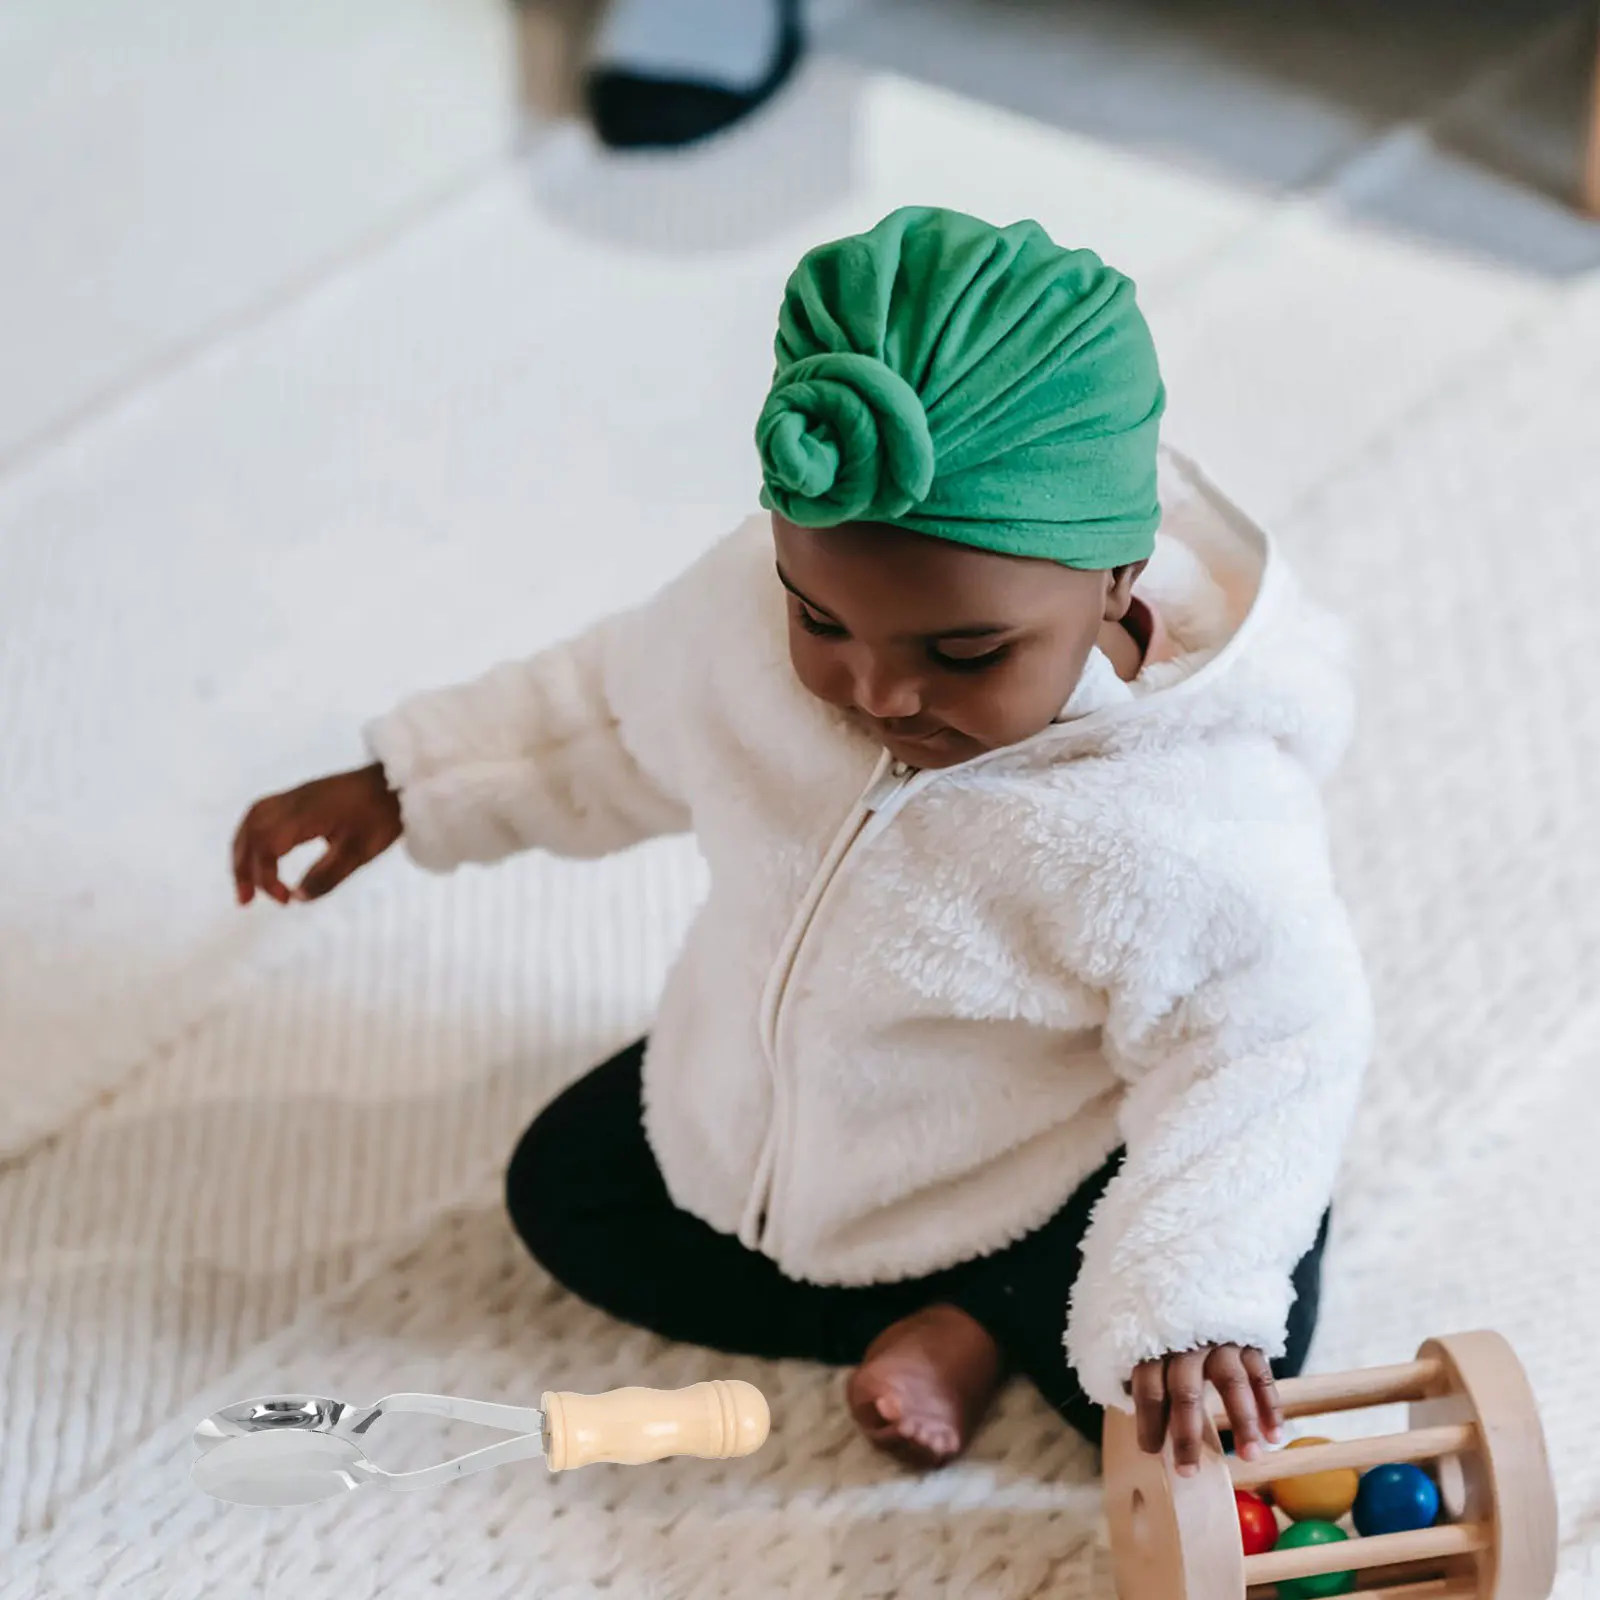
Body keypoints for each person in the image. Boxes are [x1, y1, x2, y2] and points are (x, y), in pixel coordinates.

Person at [231, 206, 1370, 1473]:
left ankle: (990, 1316)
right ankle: (938, 1309)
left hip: (1052, 1159)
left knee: (1185, 1376)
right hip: (813, 1139)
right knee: (567, 1199)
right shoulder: (743, 621)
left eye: (964, 654)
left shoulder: (1186, 818)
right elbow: (611, 715)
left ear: (1116, 576)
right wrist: (409, 781)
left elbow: (1269, 1044)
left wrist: (1191, 1293)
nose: (877, 693)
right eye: (818, 617)